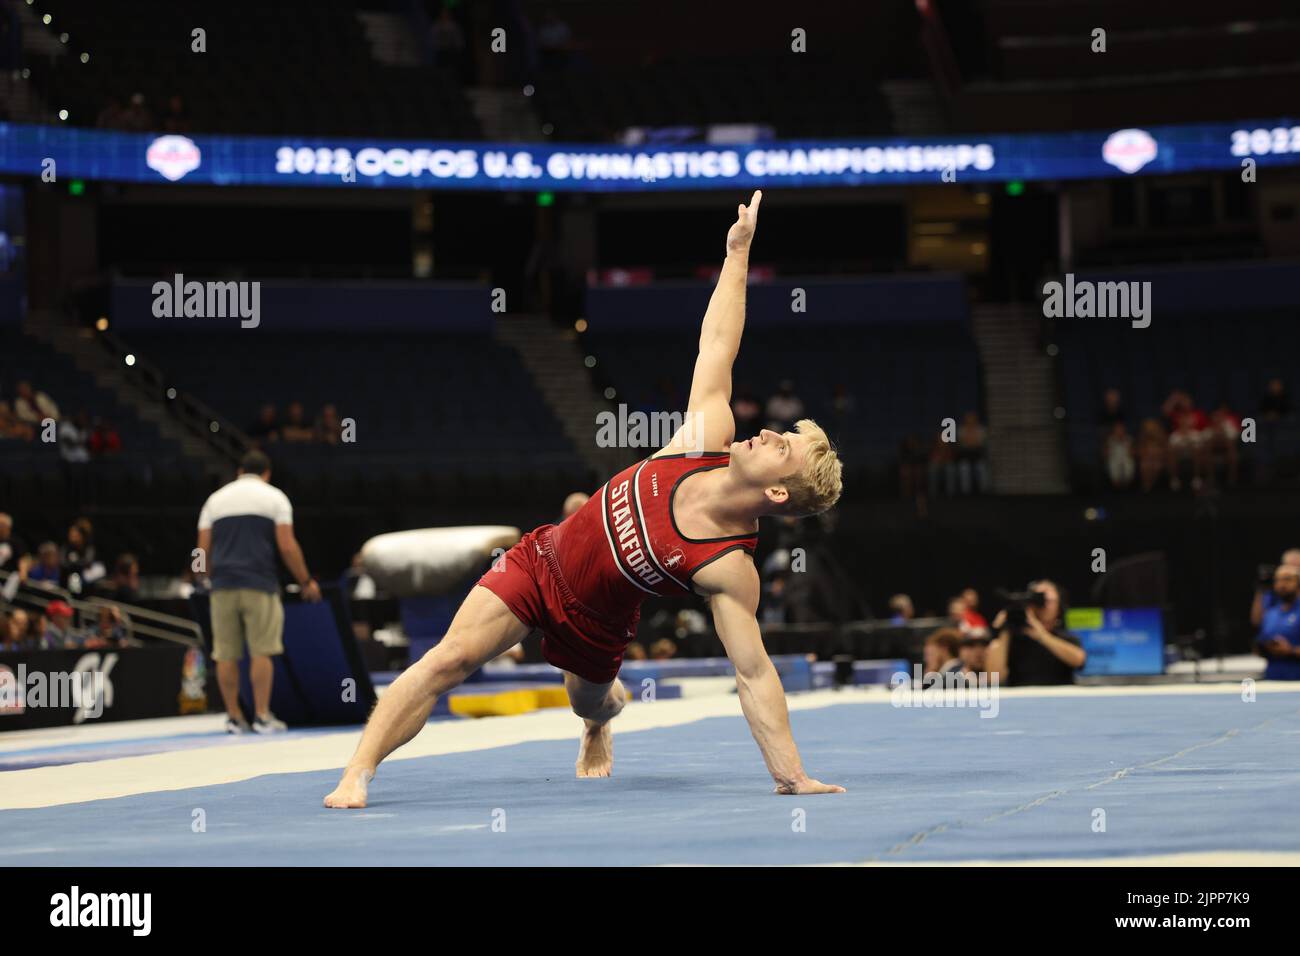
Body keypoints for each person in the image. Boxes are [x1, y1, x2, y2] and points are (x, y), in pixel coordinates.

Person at [325, 192, 846, 808]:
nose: (765, 433)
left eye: (779, 446)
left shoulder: (729, 566)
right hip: (537, 560)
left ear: (778, 490)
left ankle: (600, 719)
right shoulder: (705, 436)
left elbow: (754, 674)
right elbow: (716, 344)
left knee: (594, 699)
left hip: (597, 624)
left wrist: (790, 774)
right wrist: (737, 256)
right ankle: (358, 770)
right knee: (450, 658)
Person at [198, 450, 321, 734]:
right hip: (260, 585)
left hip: (223, 587)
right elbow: (287, 546)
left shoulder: (215, 500)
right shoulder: (275, 497)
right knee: (261, 652)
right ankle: (263, 716)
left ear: (240, 471)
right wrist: (305, 581)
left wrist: (204, 578)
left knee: (225, 653)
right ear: (266, 473)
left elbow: (201, 548)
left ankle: (234, 717)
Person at [986, 580, 1086, 686]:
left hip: (1060, 698)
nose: (1045, 605)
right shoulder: (1012, 639)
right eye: (1040, 600)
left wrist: (1041, 635)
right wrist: (1005, 629)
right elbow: (993, 678)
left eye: (1050, 601)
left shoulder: (1066, 637)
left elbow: (1079, 660)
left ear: (1059, 606)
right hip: (1021, 699)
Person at [1256, 566, 1300, 680]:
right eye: (1277, 580)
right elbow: (1261, 644)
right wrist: (1264, 648)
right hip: (1274, 681)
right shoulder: (1270, 614)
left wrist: (1291, 651)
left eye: (1287, 579)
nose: (1281, 585)